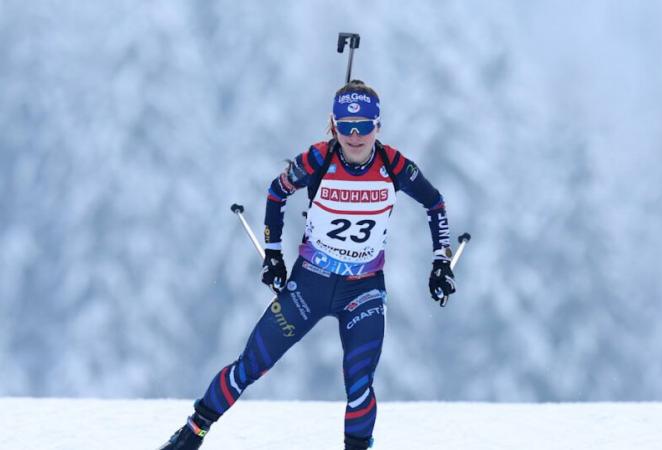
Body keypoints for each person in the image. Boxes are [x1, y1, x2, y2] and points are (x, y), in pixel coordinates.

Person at [159, 80, 457, 450]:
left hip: (362, 290)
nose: (354, 136)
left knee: (360, 385)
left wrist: (440, 261)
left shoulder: (393, 165)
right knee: (251, 364)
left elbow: (435, 204)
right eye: (345, 126)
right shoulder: (318, 159)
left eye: (364, 126)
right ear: (332, 125)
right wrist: (272, 254)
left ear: (377, 126)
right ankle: (193, 432)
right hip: (310, 285)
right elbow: (276, 191)